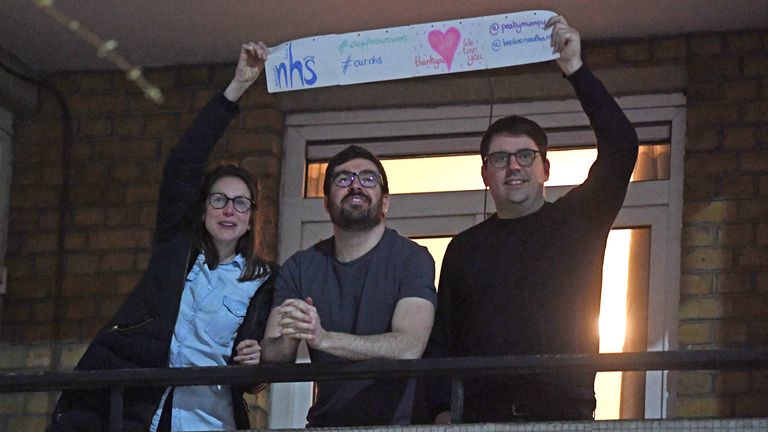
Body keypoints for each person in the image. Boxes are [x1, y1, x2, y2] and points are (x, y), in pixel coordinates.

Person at [50, 42, 277, 432]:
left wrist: (256, 361)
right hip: (143, 415)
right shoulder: (177, 246)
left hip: (212, 419)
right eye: (219, 199)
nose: (229, 210)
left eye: (241, 203)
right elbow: (183, 162)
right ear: (202, 207)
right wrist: (238, 86)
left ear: (251, 216)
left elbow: (254, 368)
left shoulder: (264, 280)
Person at [425, 16, 639, 423]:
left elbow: (622, 146)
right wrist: (437, 411)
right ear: (486, 174)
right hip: (477, 418)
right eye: (500, 159)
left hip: (562, 414)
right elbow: (443, 339)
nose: (514, 167)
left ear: (545, 169)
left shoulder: (578, 221)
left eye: (526, 156)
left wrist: (576, 69)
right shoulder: (464, 247)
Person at [260, 145, 437, 427]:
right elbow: (271, 356)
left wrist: (323, 338)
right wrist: (291, 336)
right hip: (326, 424)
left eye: (368, 179)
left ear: (386, 202)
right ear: (327, 203)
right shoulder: (300, 267)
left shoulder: (412, 259)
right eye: (343, 180)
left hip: (399, 426)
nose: (355, 185)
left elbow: (409, 346)